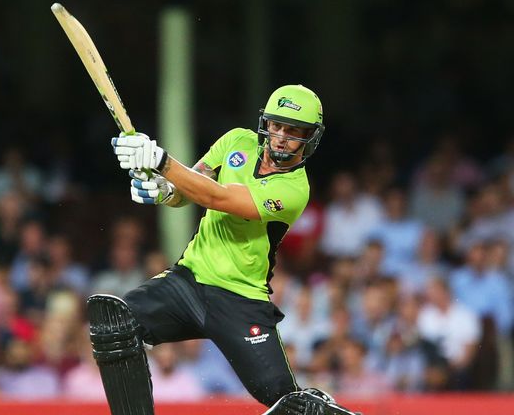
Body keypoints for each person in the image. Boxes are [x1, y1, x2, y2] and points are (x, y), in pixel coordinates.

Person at [91, 85, 356, 415]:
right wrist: (164, 188)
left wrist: (160, 160)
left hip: (241, 300)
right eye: (276, 125)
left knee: (287, 402)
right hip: (188, 281)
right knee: (114, 322)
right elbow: (190, 187)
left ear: (310, 137)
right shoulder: (237, 141)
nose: (281, 137)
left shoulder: (294, 189)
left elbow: (218, 198)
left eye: (293, 130)